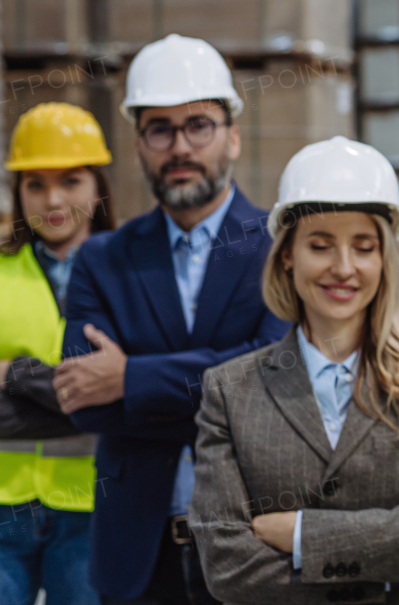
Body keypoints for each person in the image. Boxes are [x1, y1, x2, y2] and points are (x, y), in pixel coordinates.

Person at [56, 34, 290, 604]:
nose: (179, 145)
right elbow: (87, 397)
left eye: (198, 125)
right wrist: (226, 386)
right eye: (160, 128)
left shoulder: (280, 246)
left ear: (232, 137)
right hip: (136, 552)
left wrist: (131, 379)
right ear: (139, 144)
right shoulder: (102, 258)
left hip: (253, 541)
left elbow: (279, 380)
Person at [189, 137, 399, 604]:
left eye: (364, 246)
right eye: (321, 244)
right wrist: (391, 545)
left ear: (383, 258)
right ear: (288, 254)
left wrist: (300, 535)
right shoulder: (229, 391)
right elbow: (226, 564)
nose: (344, 267)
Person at [0, 103, 115, 605]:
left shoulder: (130, 277)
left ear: (98, 186)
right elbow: (98, 399)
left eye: (70, 181)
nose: (53, 200)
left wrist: (14, 375)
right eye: (35, 184)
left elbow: (127, 400)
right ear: (17, 191)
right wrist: (83, 395)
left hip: (91, 502)